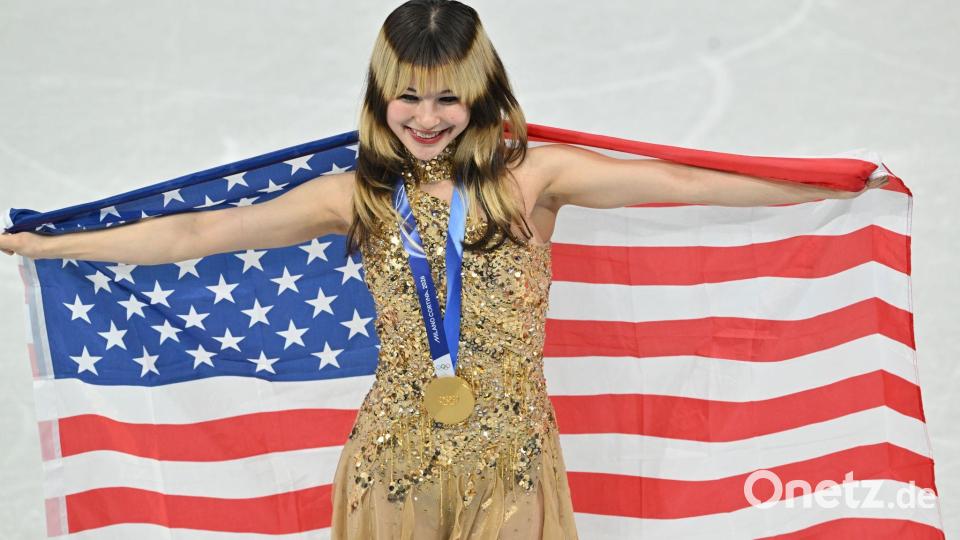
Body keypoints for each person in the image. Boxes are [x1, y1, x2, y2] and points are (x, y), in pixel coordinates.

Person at [0, 1, 888, 538]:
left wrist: (816, 182)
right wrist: (50, 245)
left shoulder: (533, 180)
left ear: (482, 91)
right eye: (409, 95)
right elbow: (201, 235)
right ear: (380, 92)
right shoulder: (355, 196)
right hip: (395, 461)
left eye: (448, 96)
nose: (427, 117)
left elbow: (678, 180)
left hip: (512, 463)